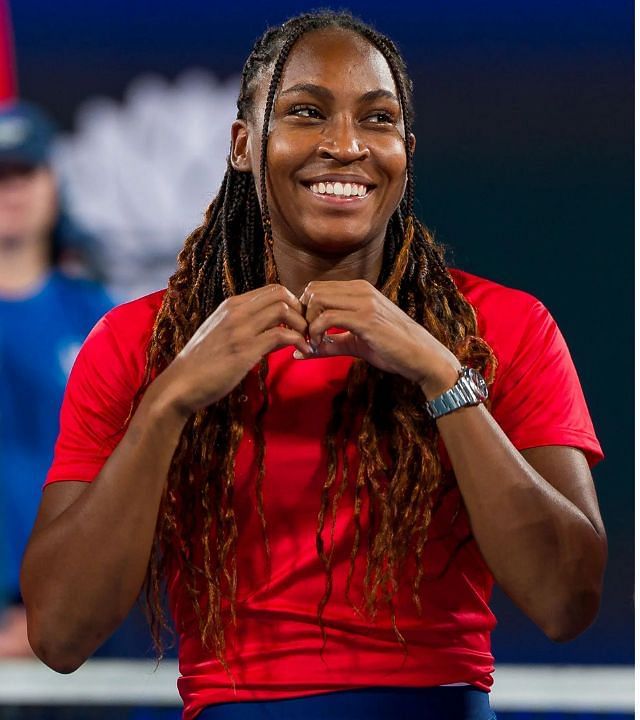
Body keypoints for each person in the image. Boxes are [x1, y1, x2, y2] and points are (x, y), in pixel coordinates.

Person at [19, 11, 606, 720]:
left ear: (405, 151)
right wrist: (169, 402)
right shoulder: (139, 342)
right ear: (244, 145)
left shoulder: (503, 329)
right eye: (306, 112)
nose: (346, 145)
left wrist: (443, 377)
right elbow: (58, 633)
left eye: (378, 119)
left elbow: (566, 601)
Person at [0, 100, 115, 657]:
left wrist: (61, 608)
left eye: (25, 172)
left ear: (53, 184)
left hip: (76, 615)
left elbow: (125, 473)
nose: (11, 191)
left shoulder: (98, 319)